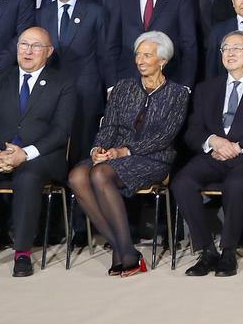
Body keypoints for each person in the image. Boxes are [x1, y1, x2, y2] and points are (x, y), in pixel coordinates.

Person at [0, 27, 77, 277]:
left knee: (27, 178)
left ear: (49, 52)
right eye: (24, 45)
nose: (28, 51)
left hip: (41, 156)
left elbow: (61, 130)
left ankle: (22, 253)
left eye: (36, 46)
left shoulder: (63, 82)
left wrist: (25, 154)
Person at [67, 31, 190, 277]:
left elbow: (165, 136)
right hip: (114, 155)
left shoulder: (177, 94)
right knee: (77, 177)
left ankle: (123, 252)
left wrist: (125, 151)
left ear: (162, 61)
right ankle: (126, 250)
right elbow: (108, 125)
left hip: (154, 157)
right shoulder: (123, 87)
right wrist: (97, 149)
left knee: (101, 175)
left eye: (147, 55)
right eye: (138, 55)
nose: (140, 60)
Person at [173, 30, 243, 278]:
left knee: (236, 184)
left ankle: (228, 252)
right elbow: (192, 133)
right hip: (213, 156)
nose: (230, 54)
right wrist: (213, 141)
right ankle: (207, 251)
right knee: (182, 182)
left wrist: (238, 146)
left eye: (237, 48)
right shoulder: (206, 89)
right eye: (225, 49)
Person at [38, 0, 110, 160]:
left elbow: (105, 55)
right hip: (51, 93)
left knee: (82, 153)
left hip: (85, 92)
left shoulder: (95, 11)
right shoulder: (43, 14)